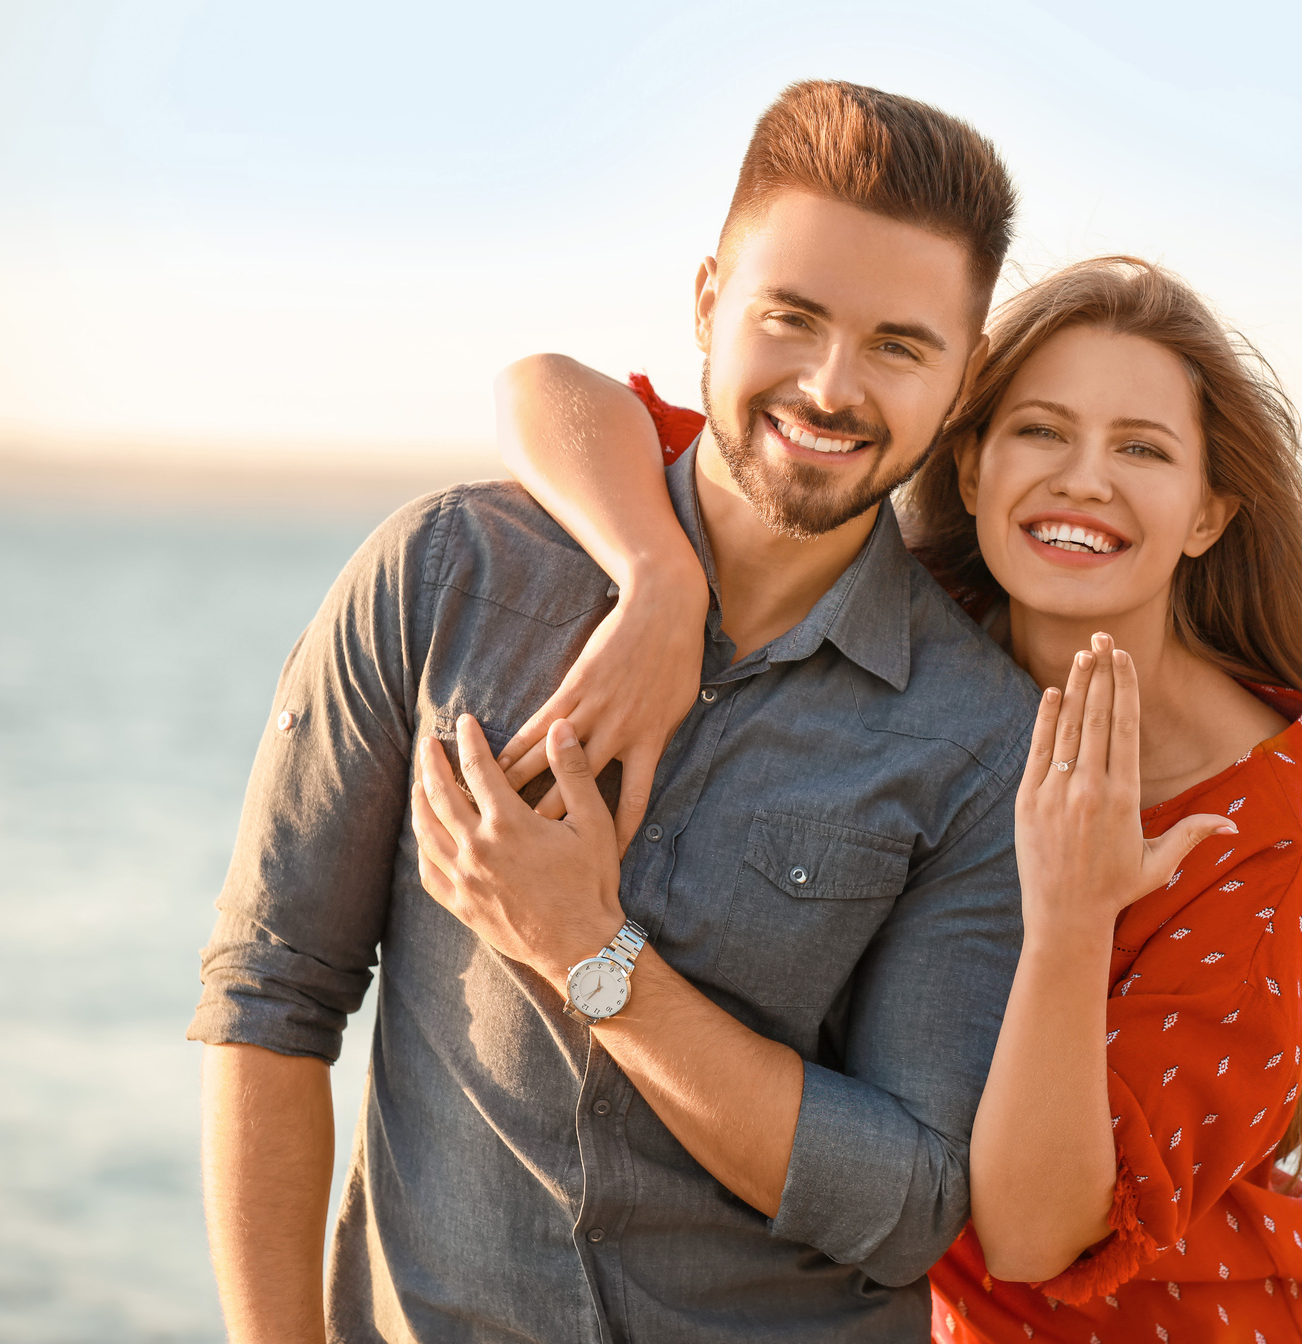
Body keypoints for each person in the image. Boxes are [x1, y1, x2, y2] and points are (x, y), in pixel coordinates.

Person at [187, 80, 1036, 1343]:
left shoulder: (982, 736)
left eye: (899, 346)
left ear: (961, 377)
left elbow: (910, 1196)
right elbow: (271, 998)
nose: (830, 386)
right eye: (790, 318)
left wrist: (593, 955)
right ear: (708, 302)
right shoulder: (447, 577)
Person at [461, 256, 1302, 1342]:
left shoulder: (1256, 819)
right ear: (976, 464)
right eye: (1042, 431)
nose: (1085, 479)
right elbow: (551, 393)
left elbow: (1039, 1237)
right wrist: (658, 573)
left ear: (1207, 516)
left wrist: (1074, 922)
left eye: (1142, 448)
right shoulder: (910, 612)